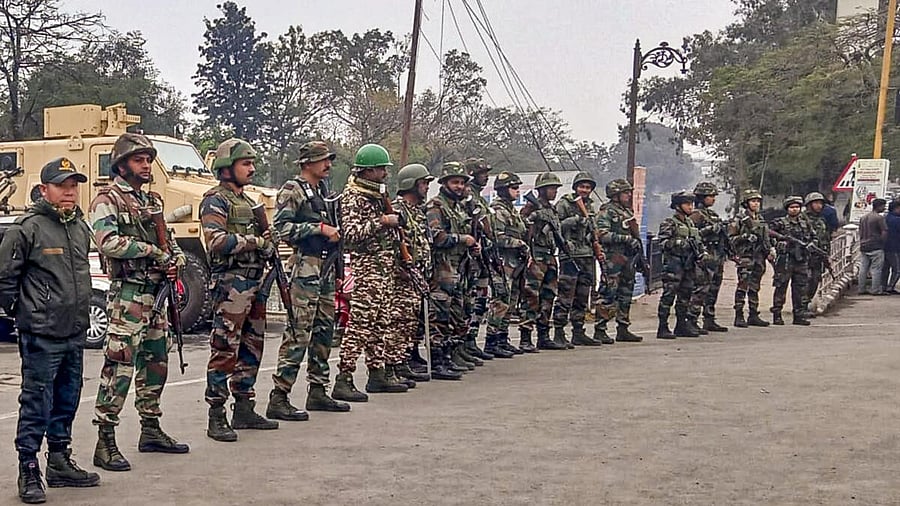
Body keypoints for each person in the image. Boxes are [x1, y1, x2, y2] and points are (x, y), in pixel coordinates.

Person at [0, 158, 100, 503]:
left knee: (67, 398)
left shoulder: (78, 226)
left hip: (74, 331)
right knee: (35, 403)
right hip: (42, 333)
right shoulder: (27, 228)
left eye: (74, 185)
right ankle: (28, 468)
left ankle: (59, 460)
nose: (70, 191)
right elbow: (5, 280)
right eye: (62, 185)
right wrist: (25, 313)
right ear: (45, 190)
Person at [90, 133, 190, 472]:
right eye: (139, 160)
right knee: (119, 366)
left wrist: (176, 259)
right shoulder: (108, 200)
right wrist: (153, 252)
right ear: (122, 165)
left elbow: (170, 241)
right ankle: (105, 441)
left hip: (156, 295)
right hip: (129, 295)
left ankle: (150, 429)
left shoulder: (152, 201)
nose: (146, 165)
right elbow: (108, 242)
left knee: (155, 364)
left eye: (148, 159)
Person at [202, 138, 279, 442]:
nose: (252, 168)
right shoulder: (214, 200)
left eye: (252, 163)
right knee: (225, 348)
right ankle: (216, 414)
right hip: (231, 284)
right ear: (227, 168)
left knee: (252, 347)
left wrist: (268, 240)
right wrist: (258, 242)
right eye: (246, 163)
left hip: (254, 281)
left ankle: (244, 406)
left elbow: (264, 237)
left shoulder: (249, 202)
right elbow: (216, 240)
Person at [267, 141, 350, 421]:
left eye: (328, 160)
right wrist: (319, 228)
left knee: (324, 330)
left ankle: (318, 389)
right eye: (322, 160)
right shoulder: (294, 190)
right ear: (307, 164)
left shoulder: (323, 191)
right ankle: (279, 396)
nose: (327, 165)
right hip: (306, 265)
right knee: (298, 331)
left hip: (325, 267)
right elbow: (281, 228)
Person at [335, 144, 408, 397]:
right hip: (367, 268)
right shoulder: (354, 197)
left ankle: (377, 374)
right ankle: (343, 378)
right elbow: (351, 234)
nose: (385, 174)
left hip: (384, 267)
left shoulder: (376, 195)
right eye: (380, 170)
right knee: (360, 325)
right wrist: (382, 221)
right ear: (367, 171)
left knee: (381, 323)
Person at [426, 163, 480, 379]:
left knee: (457, 313)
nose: (459, 186)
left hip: (459, 267)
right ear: (444, 183)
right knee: (439, 314)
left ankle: (451, 354)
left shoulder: (457, 207)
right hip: (442, 269)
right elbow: (437, 237)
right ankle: (437, 361)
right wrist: (462, 239)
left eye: (461, 183)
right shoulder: (436, 206)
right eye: (454, 182)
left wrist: (472, 245)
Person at [388, 163, 435, 384]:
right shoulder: (397, 209)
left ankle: (406, 360)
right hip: (402, 276)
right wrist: (402, 268)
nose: (426, 187)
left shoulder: (418, 212)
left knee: (410, 322)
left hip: (417, 276)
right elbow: (394, 243)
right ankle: (395, 364)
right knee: (399, 321)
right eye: (423, 183)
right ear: (411, 185)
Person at [552, 172, 605, 346]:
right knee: (566, 294)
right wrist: (575, 220)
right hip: (570, 255)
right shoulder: (564, 204)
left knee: (582, 295)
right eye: (582, 186)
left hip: (586, 254)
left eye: (588, 187)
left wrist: (596, 244)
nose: (584, 190)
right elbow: (556, 226)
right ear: (575, 187)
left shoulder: (590, 206)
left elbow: (593, 230)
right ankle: (559, 331)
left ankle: (578, 330)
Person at [485, 171, 532, 355]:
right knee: (500, 301)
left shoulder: (512, 210)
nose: (517, 191)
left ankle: (503, 338)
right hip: (503, 262)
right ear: (503, 190)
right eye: (514, 188)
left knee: (511, 302)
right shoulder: (498, 210)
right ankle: (492, 340)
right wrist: (519, 243)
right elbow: (498, 238)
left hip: (515, 264)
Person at [461, 157, 502, 361]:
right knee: (472, 299)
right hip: (472, 256)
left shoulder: (478, 195)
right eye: (481, 173)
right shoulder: (467, 194)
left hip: (483, 253)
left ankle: (472, 340)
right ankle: (466, 341)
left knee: (481, 300)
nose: (485, 176)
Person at [521, 172, 567, 350]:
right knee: (532, 295)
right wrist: (534, 216)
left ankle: (543, 334)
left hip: (549, 256)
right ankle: (526, 336)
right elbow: (524, 226)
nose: (554, 191)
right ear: (541, 189)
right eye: (551, 188)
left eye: (555, 188)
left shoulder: (552, 209)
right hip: (537, 256)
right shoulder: (532, 207)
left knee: (548, 296)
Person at [594, 179, 643, 342]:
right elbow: (602, 234)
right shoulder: (606, 211)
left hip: (628, 259)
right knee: (608, 293)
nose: (628, 195)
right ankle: (600, 329)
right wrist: (625, 239)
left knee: (626, 293)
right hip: (613, 258)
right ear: (615, 194)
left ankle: (623, 327)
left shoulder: (626, 212)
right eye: (625, 192)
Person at [656, 191, 707, 339]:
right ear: (678, 206)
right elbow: (663, 242)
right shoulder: (669, 222)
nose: (690, 207)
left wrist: (701, 252)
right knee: (668, 296)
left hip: (688, 265)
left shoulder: (690, 223)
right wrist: (680, 243)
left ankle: (681, 325)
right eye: (687, 204)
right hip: (674, 265)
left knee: (685, 295)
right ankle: (663, 327)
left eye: (692, 204)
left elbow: (697, 241)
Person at [728, 189, 774, 328]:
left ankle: (753, 314)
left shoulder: (760, 219)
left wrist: (770, 249)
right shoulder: (739, 220)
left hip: (759, 257)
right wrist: (745, 237)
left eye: (758, 201)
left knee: (755, 287)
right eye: (753, 201)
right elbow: (731, 238)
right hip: (746, 257)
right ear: (746, 203)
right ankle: (739, 315)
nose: (756, 204)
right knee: (743, 286)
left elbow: (766, 238)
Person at [689, 182, 729, 332]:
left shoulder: (712, 214)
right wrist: (711, 229)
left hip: (717, 255)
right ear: (701, 197)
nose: (713, 199)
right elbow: (693, 234)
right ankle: (692, 319)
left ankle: (709, 318)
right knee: (701, 289)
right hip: (704, 255)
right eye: (710, 196)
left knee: (713, 288)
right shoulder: (696, 215)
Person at [769, 196, 813, 325]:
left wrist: (810, 245)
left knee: (800, 288)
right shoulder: (780, 222)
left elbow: (813, 236)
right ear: (787, 209)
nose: (795, 210)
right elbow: (767, 232)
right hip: (785, 259)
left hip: (801, 260)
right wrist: (778, 242)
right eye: (792, 207)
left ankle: (798, 315)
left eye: (797, 207)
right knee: (781, 287)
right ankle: (777, 314)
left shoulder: (805, 223)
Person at [802, 192, 831, 316]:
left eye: (820, 203)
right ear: (809, 204)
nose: (819, 206)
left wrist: (826, 254)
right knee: (805, 281)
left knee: (815, 280)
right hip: (806, 256)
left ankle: (806, 303)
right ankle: (801, 307)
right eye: (816, 203)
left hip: (819, 257)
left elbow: (825, 237)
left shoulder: (821, 220)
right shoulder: (802, 219)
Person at [857, 198, 887, 295]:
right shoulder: (879, 218)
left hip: (864, 245)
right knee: (876, 269)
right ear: (879, 206)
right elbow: (884, 231)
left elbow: (860, 231)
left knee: (863, 268)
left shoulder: (863, 218)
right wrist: (883, 243)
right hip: (876, 246)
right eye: (883, 206)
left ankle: (861, 289)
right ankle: (875, 290)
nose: (884, 208)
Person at [882, 200, 900, 293]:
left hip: (885, 246)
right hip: (895, 247)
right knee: (897, 269)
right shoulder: (896, 220)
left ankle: (883, 286)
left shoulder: (886, 217)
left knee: (885, 268)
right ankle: (890, 287)